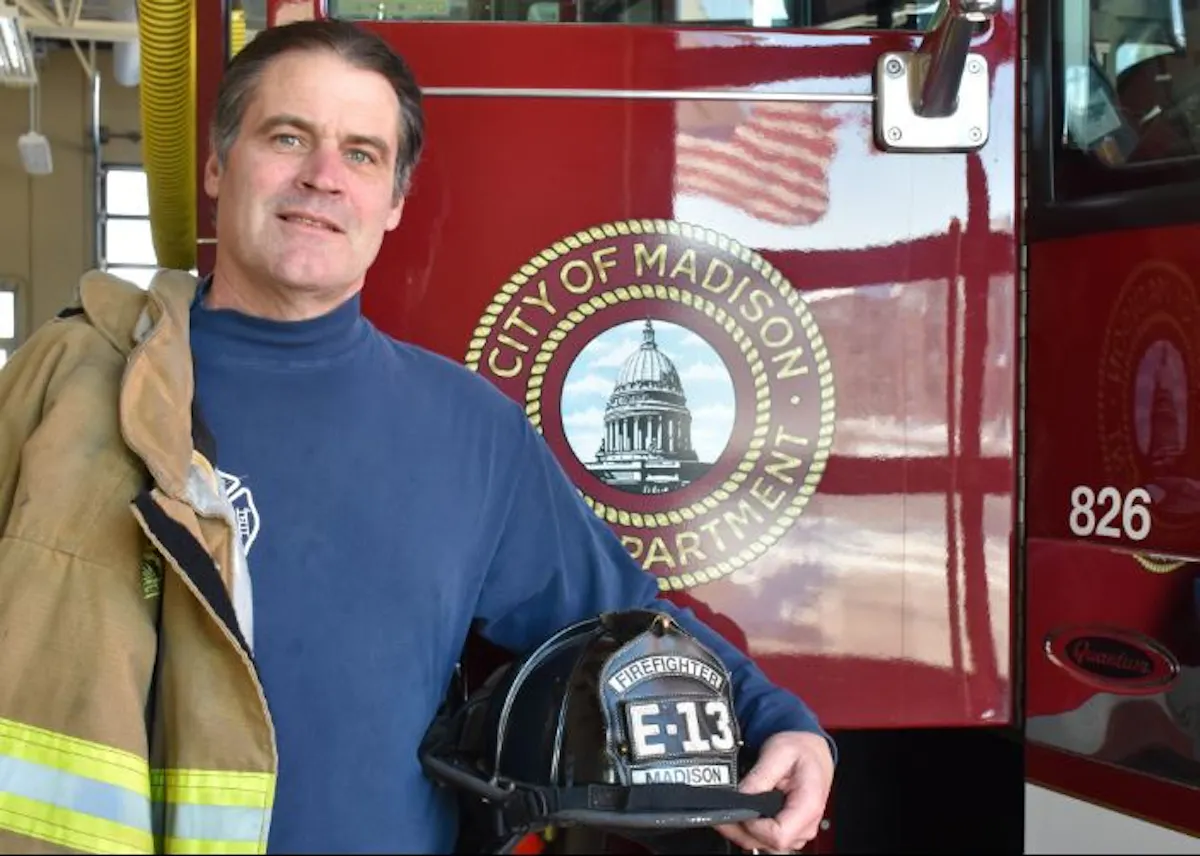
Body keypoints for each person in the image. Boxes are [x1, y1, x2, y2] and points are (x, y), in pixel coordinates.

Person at [0, 18, 834, 856]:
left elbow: (621, 619)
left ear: (395, 202)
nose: (323, 176)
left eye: (362, 154)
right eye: (287, 137)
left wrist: (771, 722)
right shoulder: (71, 389)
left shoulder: (471, 431)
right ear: (217, 167)